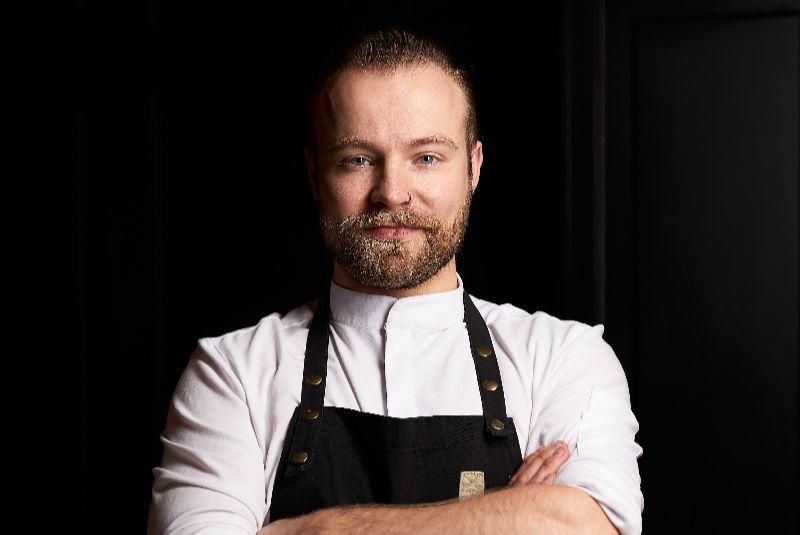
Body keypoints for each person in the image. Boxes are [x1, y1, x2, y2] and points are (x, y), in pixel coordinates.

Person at [147, 24, 643, 535]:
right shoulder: (232, 373)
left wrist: (304, 529)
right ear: (314, 174)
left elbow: (584, 526)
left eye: (426, 157)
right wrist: (502, 515)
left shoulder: (562, 358)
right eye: (357, 160)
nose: (391, 192)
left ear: (473, 168)